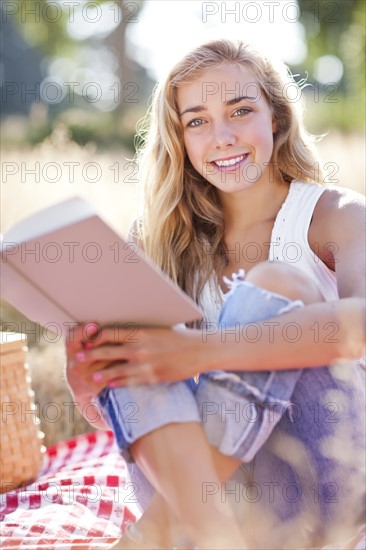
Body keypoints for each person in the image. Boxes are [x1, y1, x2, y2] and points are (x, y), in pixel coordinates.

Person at [66, 39, 365, 549]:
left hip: (320, 472)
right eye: (197, 120)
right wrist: (87, 382)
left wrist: (194, 353)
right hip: (199, 497)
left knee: (278, 283)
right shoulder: (157, 239)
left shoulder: (334, 214)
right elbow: (134, 408)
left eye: (240, 110)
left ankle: (152, 535)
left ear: (275, 117)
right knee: (130, 331)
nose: (221, 137)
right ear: (179, 137)